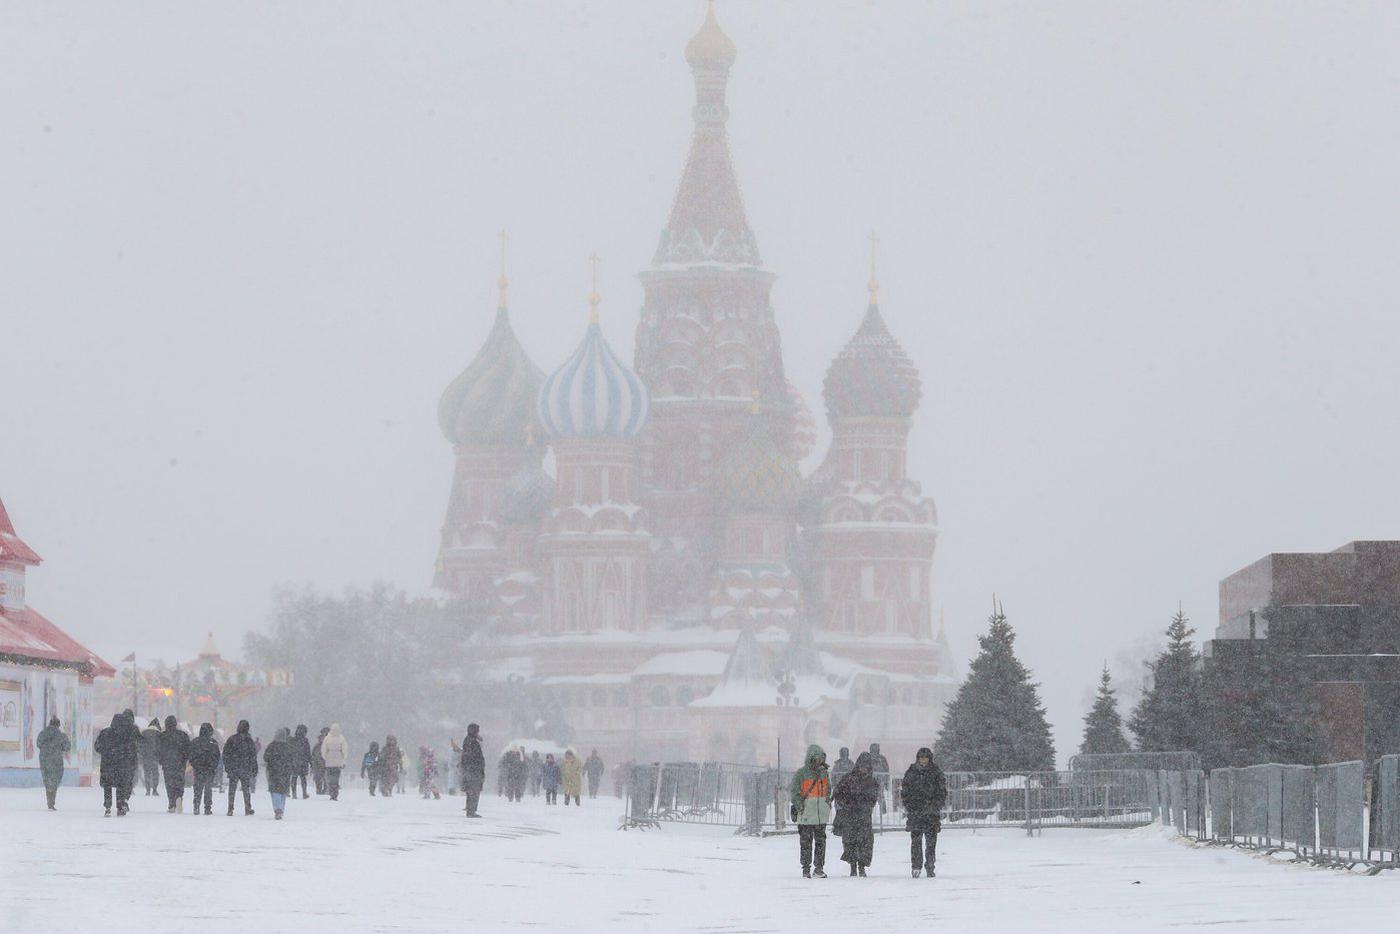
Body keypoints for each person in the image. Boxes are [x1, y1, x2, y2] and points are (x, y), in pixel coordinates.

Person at [901, 747, 947, 878]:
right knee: (916, 841)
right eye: (921, 757)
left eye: (925, 757)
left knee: (931, 842)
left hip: (931, 813)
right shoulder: (911, 772)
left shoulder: (936, 772)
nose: (923, 760)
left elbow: (942, 791)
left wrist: (936, 805)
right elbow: (905, 791)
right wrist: (910, 805)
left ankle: (930, 865)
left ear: (929, 758)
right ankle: (916, 866)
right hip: (916, 812)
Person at [834, 752, 882, 877]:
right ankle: (853, 865)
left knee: (864, 841)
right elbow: (838, 793)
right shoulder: (848, 778)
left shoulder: (871, 781)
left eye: (866, 766)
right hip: (850, 814)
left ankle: (861, 865)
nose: (863, 769)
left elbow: (873, 797)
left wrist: (865, 804)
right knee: (850, 841)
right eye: (862, 766)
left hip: (864, 815)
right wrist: (847, 804)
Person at [788, 744, 832, 879]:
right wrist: (801, 807)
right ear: (811, 758)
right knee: (806, 843)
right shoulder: (801, 774)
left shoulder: (824, 773)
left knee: (820, 842)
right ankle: (806, 868)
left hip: (820, 815)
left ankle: (819, 868)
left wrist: (826, 803)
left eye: (821, 758)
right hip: (806, 815)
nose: (819, 761)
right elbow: (794, 793)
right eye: (817, 758)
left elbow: (828, 790)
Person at [223, 719, 258, 816]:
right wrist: (254, 768)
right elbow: (253, 756)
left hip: (234, 768)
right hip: (245, 768)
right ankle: (248, 807)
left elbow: (226, 754)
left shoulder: (232, 739)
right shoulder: (249, 740)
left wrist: (227, 766)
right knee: (246, 789)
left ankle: (230, 808)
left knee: (232, 789)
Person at [158, 715, 190, 813]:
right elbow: (188, 749)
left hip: (167, 764)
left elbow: (158, 750)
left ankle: (171, 803)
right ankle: (179, 797)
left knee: (169, 784)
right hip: (180, 763)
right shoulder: (183, 735)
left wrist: (161, 760)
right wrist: (185, 759)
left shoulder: (162, 736)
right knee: (179, 782)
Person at [37, 716, 70, 810]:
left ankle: (49, 802)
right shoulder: (61, 735)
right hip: (56, 761)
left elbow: (38, 744)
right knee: (55, 780)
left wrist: (46, 749)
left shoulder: (43, 734)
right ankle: (52, 802)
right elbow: (67, 747)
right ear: (58, 725)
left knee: (47, 780)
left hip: (44, 760)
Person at [188, 723, 221, 816]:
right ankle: (207, 808)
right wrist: (213, 766)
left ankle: (196, 806)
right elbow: (217, 756)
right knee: (208, 788)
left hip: (198, 769)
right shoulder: (213, 742)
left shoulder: (195, 742)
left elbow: (191, 755)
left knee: (197, 788)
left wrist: (195, 764)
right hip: (209, 770)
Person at [263, 727, 294, 820]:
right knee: (283, 791)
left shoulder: (271, 746)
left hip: (273, 771)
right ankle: (281, 808)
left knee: (274, 791)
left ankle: (277, 809)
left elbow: (265, 757)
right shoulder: (288, 747)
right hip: (285, 772)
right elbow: (291, 759)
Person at [460, 723, 485, 818]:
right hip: (474, 770)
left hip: (470, 769)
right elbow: (475, 756)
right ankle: (471, 811)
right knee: (474, 790)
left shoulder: (468, 740)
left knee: (471, 790)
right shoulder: (472, 742)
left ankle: (470, 809)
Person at [320, 724, 349, 800]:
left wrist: (325, 758)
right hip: (338, 762)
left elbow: (323, 750)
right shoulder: (342, 739)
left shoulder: (327, 738)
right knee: (336, 779)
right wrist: (343, 760)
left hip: (329, 762)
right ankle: (335, 794)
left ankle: (331, 792)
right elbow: (345, 751)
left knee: (330, 778)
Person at [140, 718, 162, 796]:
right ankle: (155, 790)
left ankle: (148, 790)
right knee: (155, 774)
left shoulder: (144, 733)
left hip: (146, 757)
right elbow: (160, 746)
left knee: (147, 773)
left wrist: (142, 755)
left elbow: (140, 746)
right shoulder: (158, 733)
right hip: (155, 757)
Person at [868, 742, 890, 815]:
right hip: (870, 781)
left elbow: (886, 770)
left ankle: (883, 814)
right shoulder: (868, 758)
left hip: (880, 781)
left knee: (880, 796)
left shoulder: (882, 759)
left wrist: (887, 782)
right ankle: (869, 813)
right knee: (871, 797)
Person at [290, 725, 312, 799]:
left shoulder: (292, 740)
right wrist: (310, 762)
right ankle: (304, 793)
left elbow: (289, 751)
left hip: (294, 761)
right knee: (303, 778)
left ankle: (294, 793)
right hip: (303, 762)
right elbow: (308, 752)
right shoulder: (305, 741)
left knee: (294, 777)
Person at [311, 727, 329, 795]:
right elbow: (313, 755)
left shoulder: (329, 745)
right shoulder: (317, 746)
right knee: (319, 779)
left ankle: (325, 789)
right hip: (319, 764)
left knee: (325, 778)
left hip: (325, 764)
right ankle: (320, 790)